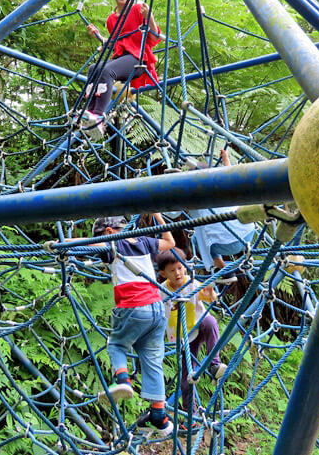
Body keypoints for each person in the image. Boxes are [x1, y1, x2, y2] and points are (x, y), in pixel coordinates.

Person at [94, 212, 176, 437]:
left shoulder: (111, 242)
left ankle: (123, 379)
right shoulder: (143, 240)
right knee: (153, 360)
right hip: (157, 309)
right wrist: (159, 217)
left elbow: (84, 246)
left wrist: (59, 244)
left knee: (117, 344)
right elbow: (171, 243)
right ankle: (158, 414)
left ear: (109, 231)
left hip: (133, 307)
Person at [82, 0, 161, 137]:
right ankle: (89, 112)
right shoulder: (111, 19)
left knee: (105, 71)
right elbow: (116, 43)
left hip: (138, 60)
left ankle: (98, 116)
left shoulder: (138, 10)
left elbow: (154, 38)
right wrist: (101, 38)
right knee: (93, 69)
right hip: (121, 59)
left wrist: (150, 19)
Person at [157, 248, 227, 411]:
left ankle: (214, 364)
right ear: (163, 273)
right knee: (187, 378)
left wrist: (211, 293)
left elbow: (209, 296)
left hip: (198, 326)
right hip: (183, 338)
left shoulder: (192, 283)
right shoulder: (161, 290)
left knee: (210, 322)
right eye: (172, 270)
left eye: (180, 268)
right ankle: (191, 415)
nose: (178, 273)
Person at [188, 149, 256, 274]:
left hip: (226, 245)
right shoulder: (224, 184)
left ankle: (223, 269)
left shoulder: (193, 197)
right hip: (248, 234)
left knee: (197, 239)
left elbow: (172, 213)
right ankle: (248, 254)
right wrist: (225, 159)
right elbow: (230, 173)